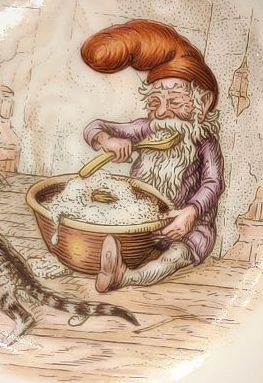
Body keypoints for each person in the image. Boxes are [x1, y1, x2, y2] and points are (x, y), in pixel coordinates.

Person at [80, 19, 224, 292]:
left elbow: (213, 183)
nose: (161, 112)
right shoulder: (148, 129)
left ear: (203, 103)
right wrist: (107, 140)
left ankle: (125, 278)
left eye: (175, 102)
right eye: (155, 102)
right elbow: (94, 127)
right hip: (142, 226)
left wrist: (191, 212)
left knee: (175, 255)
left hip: (187, 228)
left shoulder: (204, 141)